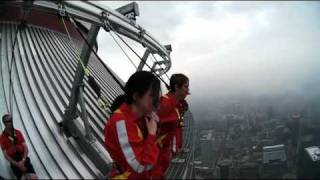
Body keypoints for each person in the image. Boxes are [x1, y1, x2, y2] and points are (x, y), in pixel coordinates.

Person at [104, 71, 162, 179]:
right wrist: (151, 135)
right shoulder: (121, 123)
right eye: (152, 96)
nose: (156, 100)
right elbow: (140, 167)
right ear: (136, 96)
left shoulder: (142, 117)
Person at [156, 73, 190, 174]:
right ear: (176, 87)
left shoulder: (176, 104)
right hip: (158, 157)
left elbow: (175, 127)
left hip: (166, 155)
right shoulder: (165, 105)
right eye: (186, 87)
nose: (188, 90)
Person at [0, 114, 38, 180]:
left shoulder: (18, 132)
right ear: (4, 123)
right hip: (14, 161)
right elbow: (6, 155)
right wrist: (17, 164)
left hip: (24, 159)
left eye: (11, 120)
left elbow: (26, 148)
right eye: (8, 121)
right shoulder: (2, 137)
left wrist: (23, 160)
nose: (10, 122)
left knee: (34, 178)